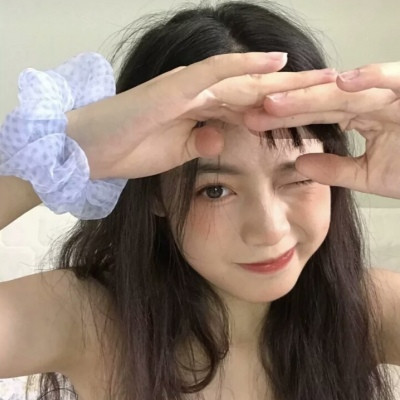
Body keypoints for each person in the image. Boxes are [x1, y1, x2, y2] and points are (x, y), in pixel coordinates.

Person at [0, 1, 400, 399]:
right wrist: (69, 154)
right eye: (215, 190)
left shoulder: (366, 308)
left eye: (299, 176)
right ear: (154, 192)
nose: (268, 230)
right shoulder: (88, 318)